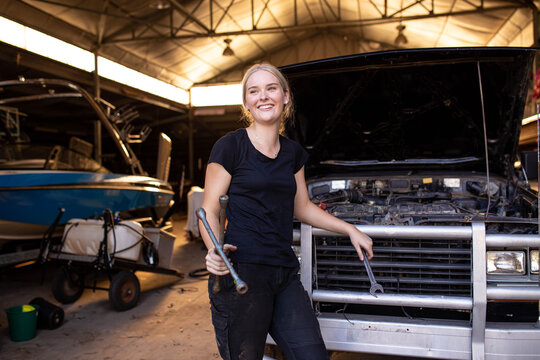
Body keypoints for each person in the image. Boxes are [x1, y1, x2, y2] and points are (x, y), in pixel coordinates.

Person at [199, 63, 373, 360]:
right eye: (254, 91)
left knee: (313, 355)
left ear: (286, 96)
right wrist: (214, 250)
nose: (263, 96)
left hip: (284, 273)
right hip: (242, 272)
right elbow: (209, 210)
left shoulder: (293, 153)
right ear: (246, 103)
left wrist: (350, 229)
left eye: (271, 88)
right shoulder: (230, 147)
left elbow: (302, 207)